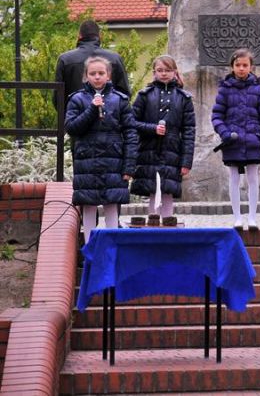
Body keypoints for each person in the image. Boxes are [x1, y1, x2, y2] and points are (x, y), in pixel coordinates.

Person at [65, 56, 138, 242]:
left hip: (114, 160)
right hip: (87, 161)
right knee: (88, 205)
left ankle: (112, 246)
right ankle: (90, 247)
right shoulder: (76, 99)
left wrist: (129, 166)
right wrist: (92, 109)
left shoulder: (120, 100)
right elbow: (72, 128)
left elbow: (131, 133)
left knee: (112, 204)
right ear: (86, 76)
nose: (97, 77)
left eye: (101, 73)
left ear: (108, 75)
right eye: (92, 73)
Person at [212, 49, 260, 231]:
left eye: (245, 65)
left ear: (251, 66)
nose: (241, 68)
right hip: (233, 141)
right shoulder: (224, 89)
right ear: (232, 66)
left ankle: (252, 217)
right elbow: (217, 116)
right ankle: (237, 217)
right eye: (237, 65)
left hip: (253, 140)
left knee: (253, 178)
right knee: (234, 178)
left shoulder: (258, 90)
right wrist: (224, 133)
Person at [130, 55, 196, 224]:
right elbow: (131, 122)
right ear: (154, 72)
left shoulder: (184, 98)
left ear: (175, 72)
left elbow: (189, 131)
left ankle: (168, 223)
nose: (164, 73)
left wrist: (186, 161)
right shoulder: (144, 95)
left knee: (168, 188)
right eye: (160, 70)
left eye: (168, 70)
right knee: (153, 187)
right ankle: (153, 223)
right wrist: (152, 128)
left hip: (172, 150)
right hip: (149, 148)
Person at [55, 20, 130, 107]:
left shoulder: (65, 60)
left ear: (79, 36)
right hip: (109, 113)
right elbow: (124, 94)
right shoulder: (115, 59)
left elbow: (58, 97)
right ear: (100, 36)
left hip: (75, 113)